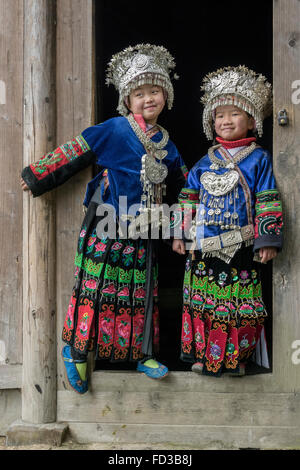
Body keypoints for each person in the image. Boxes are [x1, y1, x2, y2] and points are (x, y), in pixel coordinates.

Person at [20, 44, 188, 393]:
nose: (148, 99)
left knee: (141, 293)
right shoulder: (114, 129)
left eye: (154, 91)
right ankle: (77, 350)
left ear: (166, 96)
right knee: (95, 291)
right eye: (139, 94)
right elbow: (77, 150)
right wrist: (39, 175)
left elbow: (185, 188)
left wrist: (181, 229)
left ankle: (144, 354)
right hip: (107, 225)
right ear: (127, 100)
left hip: (145, 231)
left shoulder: (169, 146)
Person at [172, 66, 283, 377]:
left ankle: (236, 360)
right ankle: (203, 356)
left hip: (242, 246)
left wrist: (268, 239)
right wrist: (180, 233)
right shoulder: (203, 163)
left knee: (237, 305)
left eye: (235, 113)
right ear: (211, 122)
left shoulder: (259, 160)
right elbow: (187, 199)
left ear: (252, 121)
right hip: (204, 247)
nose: (226, 120)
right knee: (203, 303)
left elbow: (268, 198)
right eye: (219, 114)